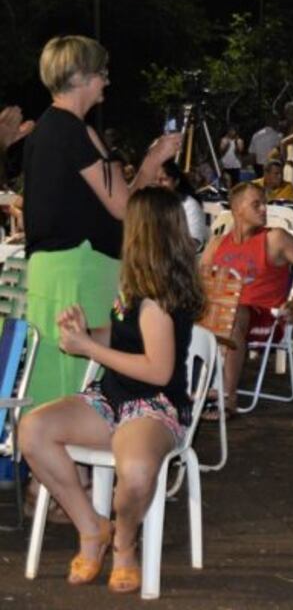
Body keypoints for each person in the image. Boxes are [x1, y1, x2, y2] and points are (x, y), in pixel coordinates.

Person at [19, 187, 205, 594]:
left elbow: (158, 371)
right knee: (32, 430)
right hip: (112, 401)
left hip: (154, 407)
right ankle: (92, 529)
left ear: (140, 232)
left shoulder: (157, 298)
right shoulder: (136, 285)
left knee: (136, 473)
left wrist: (89, 348)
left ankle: (124, 543)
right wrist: (85, 333)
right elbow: (123, 338)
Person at [23, 35, 180, 410]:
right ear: (81, 76)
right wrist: (152, 161)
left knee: (54, 381)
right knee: (72, 386)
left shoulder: (58, 128)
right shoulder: (70, 130)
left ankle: (50, 459)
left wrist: (149, 163)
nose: (107, 80)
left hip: (62, 268)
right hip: (77, 271)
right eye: (102, 72)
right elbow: (124, 208)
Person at [200, 182, 293, 413]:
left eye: (264, 203)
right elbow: (199, 282)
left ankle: (227, 398)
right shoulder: (217, 244)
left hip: (264, 318)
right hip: (220, 316)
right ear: (237, 209)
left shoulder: (274, 239)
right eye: (256, 204)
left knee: (233, 312)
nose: (264, 209)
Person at [155, 160, 208, 250]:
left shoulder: (189, 205)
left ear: (176, 182)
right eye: (155, 180)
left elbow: (195, 242)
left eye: (164, 179)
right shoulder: (151, 205)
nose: (158, 184)